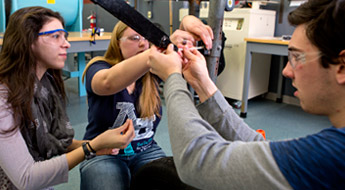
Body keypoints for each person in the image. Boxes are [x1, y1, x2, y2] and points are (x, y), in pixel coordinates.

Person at [147, 0, 345, 189]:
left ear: (342, 67)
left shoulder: (334, 153)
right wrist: (203, 84)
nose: (286, 71)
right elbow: (263, 149)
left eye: (296, 57)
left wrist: (172, 76)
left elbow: (197, 159)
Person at [0, 7, 135, 190]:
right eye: (55, 36)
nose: (66, 44)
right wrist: (92, 147)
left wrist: (95, 144)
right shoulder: (3, 97)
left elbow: (53, 140)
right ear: (28, 40)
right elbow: (26, 178)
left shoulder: (45, 84)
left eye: (64, 36)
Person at [80, 16, 213, 190]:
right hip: (102, 152)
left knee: (178, 183)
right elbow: (107, 82)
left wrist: (188, 21)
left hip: (145, 150)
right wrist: (155, 53)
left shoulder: (151, 73)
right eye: (135, 38)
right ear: (117, 42)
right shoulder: (98, 67)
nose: (143, 44)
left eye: (146, 39)